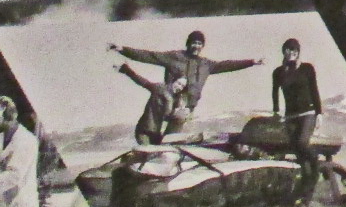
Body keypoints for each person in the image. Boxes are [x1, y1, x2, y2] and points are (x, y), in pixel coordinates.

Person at [111, 32, 259, 141]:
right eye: (194, 43)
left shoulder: (206, 65)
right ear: (188, 44)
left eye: (199, 43)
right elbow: (150, 56)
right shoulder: (175, 57)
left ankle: (163, 148)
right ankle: (146, 137)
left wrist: (251, 62)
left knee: (171, 138)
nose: (196, 46)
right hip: (169, 102)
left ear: (202, 46)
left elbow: (227, 65)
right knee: (154, 113)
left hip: (186, 107)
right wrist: (123, 49)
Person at [271, 38, 322, 206]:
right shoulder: (278, 72)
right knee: (298, 154)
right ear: (283, 52)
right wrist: (276, 111)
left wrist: (319, 113)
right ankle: (306, 193)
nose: (291, 52)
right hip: (290, 116)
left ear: (298, 52)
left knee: (302, 142)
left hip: (308, 113)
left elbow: (314, 90)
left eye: (294, 50)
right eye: (288, 49)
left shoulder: (307, 68)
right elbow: (275, 93)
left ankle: (316, 165)